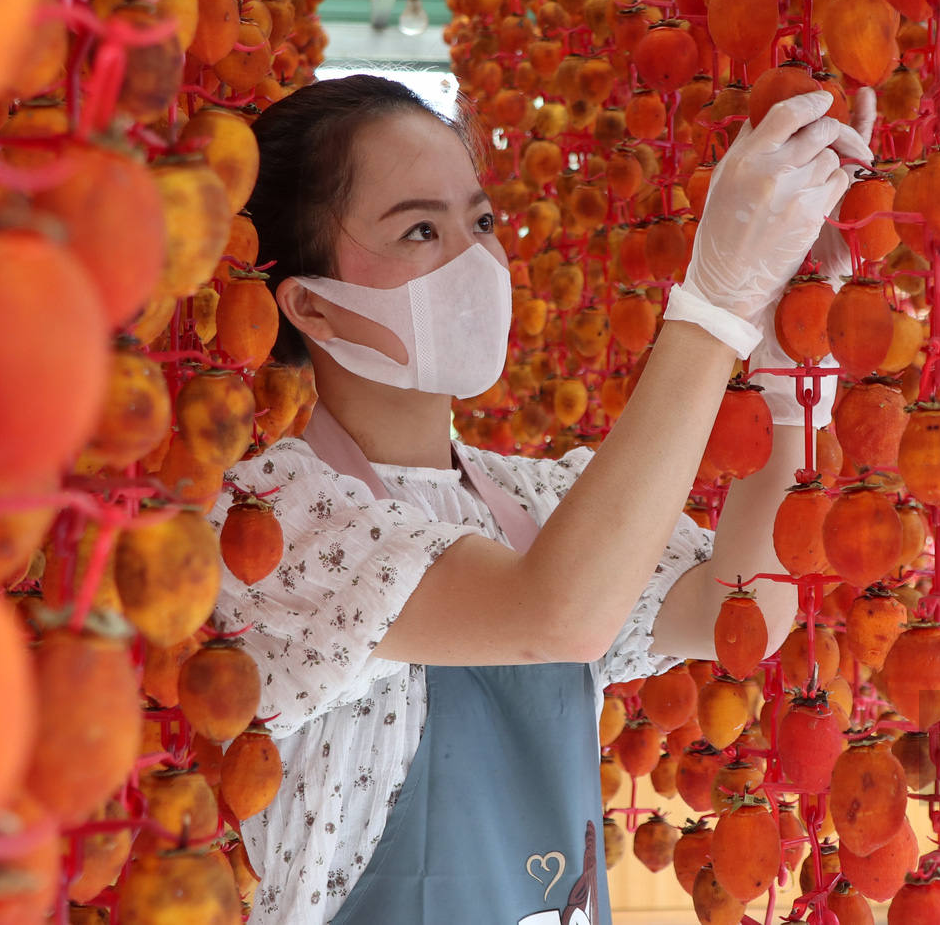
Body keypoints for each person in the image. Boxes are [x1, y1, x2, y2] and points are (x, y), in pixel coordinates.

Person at [208, 73, 875, 924]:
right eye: (421, 227)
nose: (474, 256)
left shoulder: (529, 501)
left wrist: (789, 378)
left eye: (480, 222)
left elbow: (730, 612)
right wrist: (712, 307)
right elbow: (553, 613)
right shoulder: (268, 524)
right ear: (311, 308)